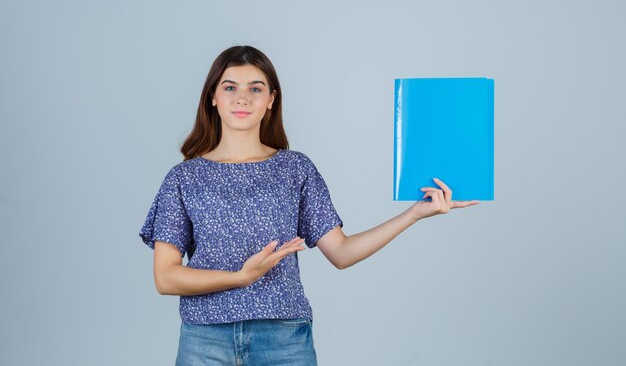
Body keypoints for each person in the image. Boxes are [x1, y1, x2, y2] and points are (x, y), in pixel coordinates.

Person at [138, 45, 480, 366]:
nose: (242, 98)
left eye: (256, 89)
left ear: (271, 99)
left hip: (283, 339)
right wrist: (241, 278)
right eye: (230, 87)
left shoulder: (295, 169)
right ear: (212, 96)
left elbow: (342, 253)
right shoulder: (184, 178)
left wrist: (415, 213)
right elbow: (166, 277)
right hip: (204, 339)